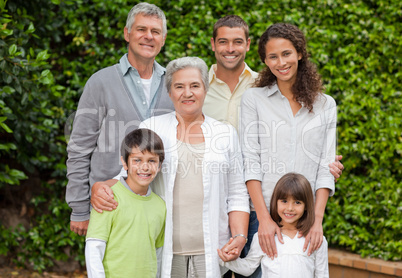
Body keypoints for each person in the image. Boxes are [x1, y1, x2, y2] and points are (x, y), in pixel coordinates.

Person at [91, 57, 250, 277]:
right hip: (164, 249)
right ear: (170, 92)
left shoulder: (225, 134)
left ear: (206, 89)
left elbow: (237, 193)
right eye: (179, 86)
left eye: (195, 85)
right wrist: (99, 187)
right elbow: (129, 178)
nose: (187, 93)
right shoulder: (152, 128)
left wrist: (240, 237)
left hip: (213, 249)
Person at [65, 2, 174, 236]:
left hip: (159, 205)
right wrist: (79, 208)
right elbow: (79, 149)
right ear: (127, 33)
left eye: (155, 32)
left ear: (163, 39)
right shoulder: (101, 82)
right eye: (141, 29)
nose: (148, 36)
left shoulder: (173, 85)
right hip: (109, 203)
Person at [240, 22, 337, 271]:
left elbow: (326, 167)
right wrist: (263, 219)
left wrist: (316, 221)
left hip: (305, 221)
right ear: (265, 61)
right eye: (273, 56)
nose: (281, 62)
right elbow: (249, 160)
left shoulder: (325, 105)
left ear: (300, 53)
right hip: (261, 218)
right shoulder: (253, 99)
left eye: (286, 54)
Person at [85, 128, 166, 277]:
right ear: (125, 163)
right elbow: (94, 249)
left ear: (160, 166)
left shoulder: (160, 206)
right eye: (137, 160)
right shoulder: (108, 198)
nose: (145, 167)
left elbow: (158, 253)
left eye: (152, 161)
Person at [218, 173, 329, 277]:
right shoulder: (264, 237)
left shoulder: (316, 240)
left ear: (306, 205)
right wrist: (225, 259)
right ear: (275, 202)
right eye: (284, 201)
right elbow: (248, 267)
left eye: (297, 202)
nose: (290, 208)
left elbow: (322, 275)